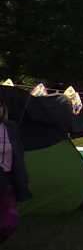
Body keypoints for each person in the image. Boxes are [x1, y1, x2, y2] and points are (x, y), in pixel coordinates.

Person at [0, 98, 31, 242]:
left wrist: (24, 177)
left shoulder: (11, 127)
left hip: (8, 178)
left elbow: (18, 153)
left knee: (11, 220)